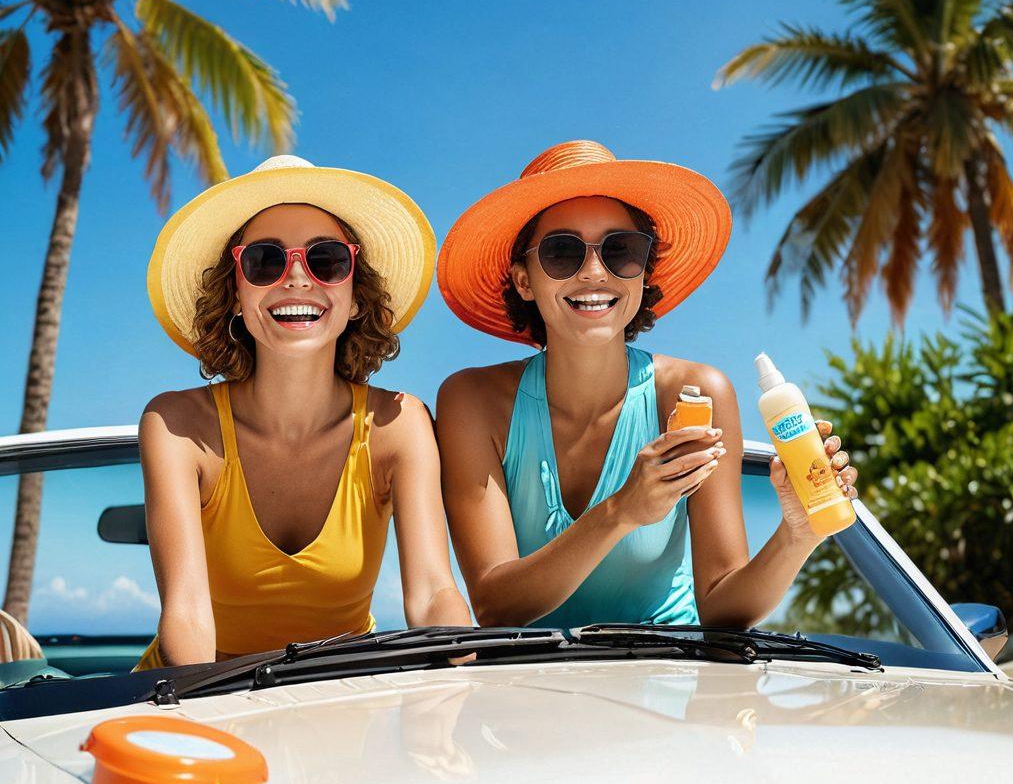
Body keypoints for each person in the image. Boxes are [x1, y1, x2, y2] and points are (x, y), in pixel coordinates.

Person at [435, 140, 858, 630]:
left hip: (669, 682)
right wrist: (620, 511)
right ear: (524, 281)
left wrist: (798, 534)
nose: (594, 272)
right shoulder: (473, 401)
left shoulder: (698, 392)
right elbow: (492, 604)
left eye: (621, 250)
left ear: (643, 271)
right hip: (529, 691)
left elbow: (724, 608)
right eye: (561, 251)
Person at [137, 155, 470, 668]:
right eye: (266, 261)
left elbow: (431, 594)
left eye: (328, 260)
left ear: (356, 298)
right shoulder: (176, 427)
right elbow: (186, 616)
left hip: (337, 702)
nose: (296, 279)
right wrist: (207, 723)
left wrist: (466, 676)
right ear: (235, 294)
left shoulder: (399, 426)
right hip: (196, 698)